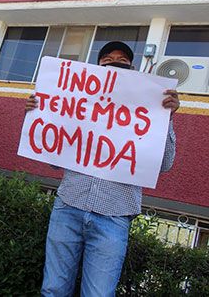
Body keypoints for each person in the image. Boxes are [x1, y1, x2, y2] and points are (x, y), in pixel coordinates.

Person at [26, 41, 179, 297]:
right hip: (68, 206)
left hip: (114, 216)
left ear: (132, 67)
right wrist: (39, 115)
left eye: (121, 58)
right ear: (97, 67)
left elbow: (164, 165)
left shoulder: (149, 109)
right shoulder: (77, 102)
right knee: (53, 290)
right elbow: (55, 160)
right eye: (107, 57)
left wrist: (167, 118)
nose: (113, 61)